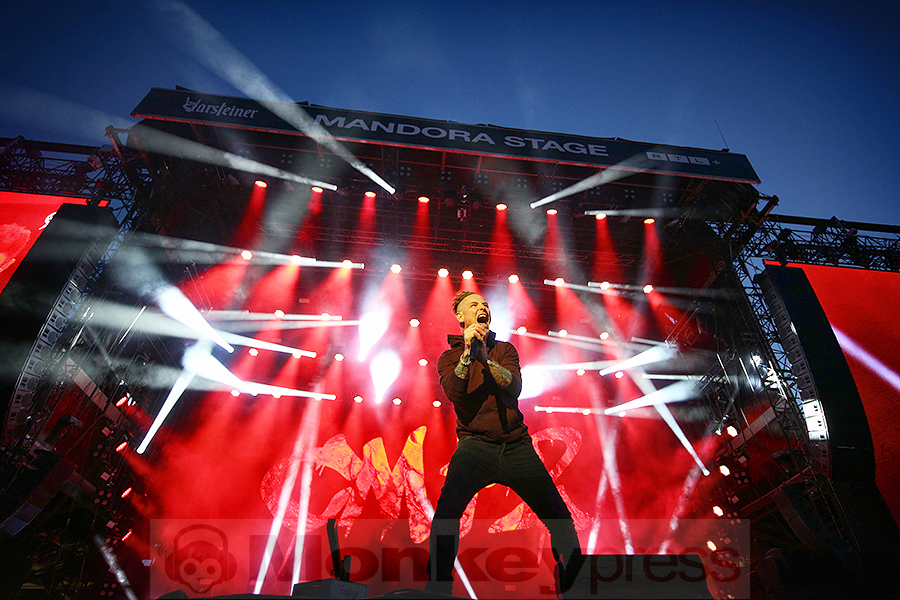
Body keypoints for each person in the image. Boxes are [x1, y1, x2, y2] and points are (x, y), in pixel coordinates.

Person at [426, 290, 582, 596]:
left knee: (559, 517)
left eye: (485, 305)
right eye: (474, 305)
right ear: (461, 316)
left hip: (515, 446)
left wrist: (486, 358)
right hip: (474, 446)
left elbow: (515, 387)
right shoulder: (448, 358)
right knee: (446, 516)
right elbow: (455, 393)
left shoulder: (505, 350)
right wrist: (470, 356)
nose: (482, 308)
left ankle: (576, 585)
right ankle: (438, 589)